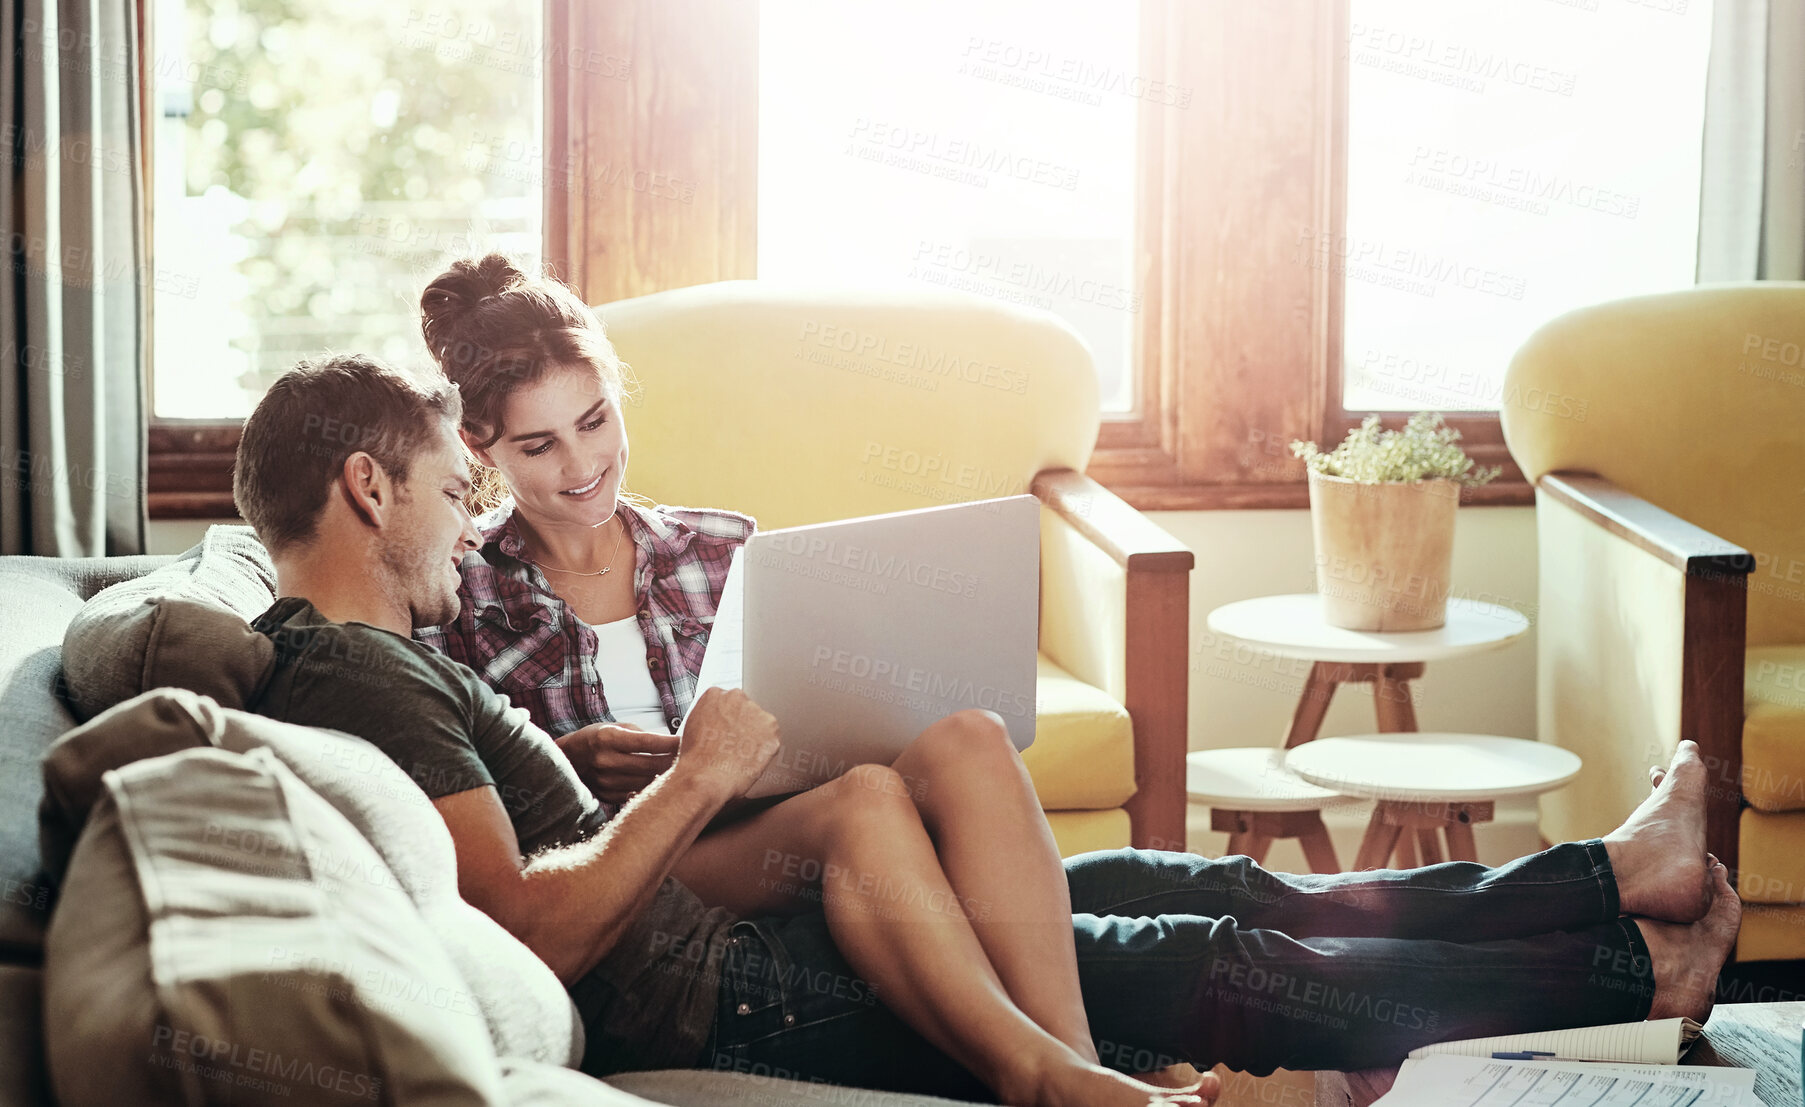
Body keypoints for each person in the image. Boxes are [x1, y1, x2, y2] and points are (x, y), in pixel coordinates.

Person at [231, 350, 1740, 1107]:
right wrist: (694, 776)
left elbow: (543, 866)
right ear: (371, 489)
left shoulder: (377, 662)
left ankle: (1604, 881)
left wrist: (738, 763)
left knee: (1182, 881)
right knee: (1192, 954)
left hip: (766, 886)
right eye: (455, 485)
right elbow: (534, 927)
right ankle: (1615, 962)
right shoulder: (363, 670)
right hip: (733, 952)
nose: (466, 520)